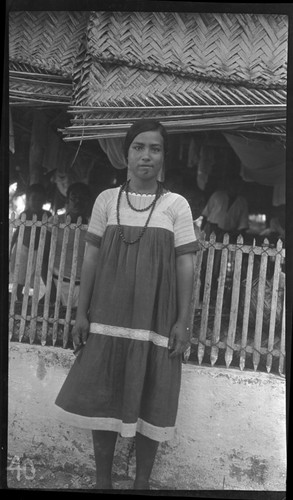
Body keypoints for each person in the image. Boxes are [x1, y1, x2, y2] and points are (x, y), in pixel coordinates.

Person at [54, 119, 199, 490]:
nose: (146, 156)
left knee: (153, 396)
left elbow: (186, 263)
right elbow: (91, 257)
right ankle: (103, 482)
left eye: (154, 148)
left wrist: (183, 320)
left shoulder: (176, 206)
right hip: (107, 318)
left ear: (163, 155)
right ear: (126, 153)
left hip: (156, 320)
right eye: (138, 147)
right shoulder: (106, 200)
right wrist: (81, 312)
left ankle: (141, 485)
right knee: (103, 395)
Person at [42, 182, 91, 307]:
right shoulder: (55, 222)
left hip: (82, 286)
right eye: (74, 197)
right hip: (56, 281)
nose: (77, 202)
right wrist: (50, 288)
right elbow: (43, 257)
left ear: (88, 201)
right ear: (68, 199)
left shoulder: (93, 225)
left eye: (82, 198)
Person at [9, 183, 51, 301]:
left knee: (39, 275)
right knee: (20, 274)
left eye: (40, 199)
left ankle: (42, 298)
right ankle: (17, 295)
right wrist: (11, 249)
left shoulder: (47, 215)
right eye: (34, 199)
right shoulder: (24, 215)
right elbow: (16, 234)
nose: (37, 202)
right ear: (29, 199)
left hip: (39, 250)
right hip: (23, 248)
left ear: (44, 200)